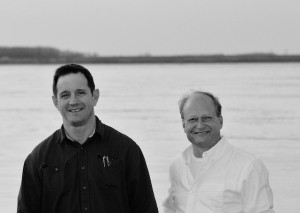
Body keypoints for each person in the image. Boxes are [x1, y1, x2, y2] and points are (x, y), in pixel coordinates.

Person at [17, 64, 158, 213]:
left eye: (80, 93)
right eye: (65, 95)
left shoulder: (126, 150)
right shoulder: (38, 159)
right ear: (55, 102)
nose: (73, 101)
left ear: (95, 96)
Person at [163, 90, 275, 213]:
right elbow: (169, 209)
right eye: (193, 119)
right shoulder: (177, 166)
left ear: (220, 121)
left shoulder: (249, 167)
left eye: (206, 118)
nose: (200, 125)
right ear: (184, 125)